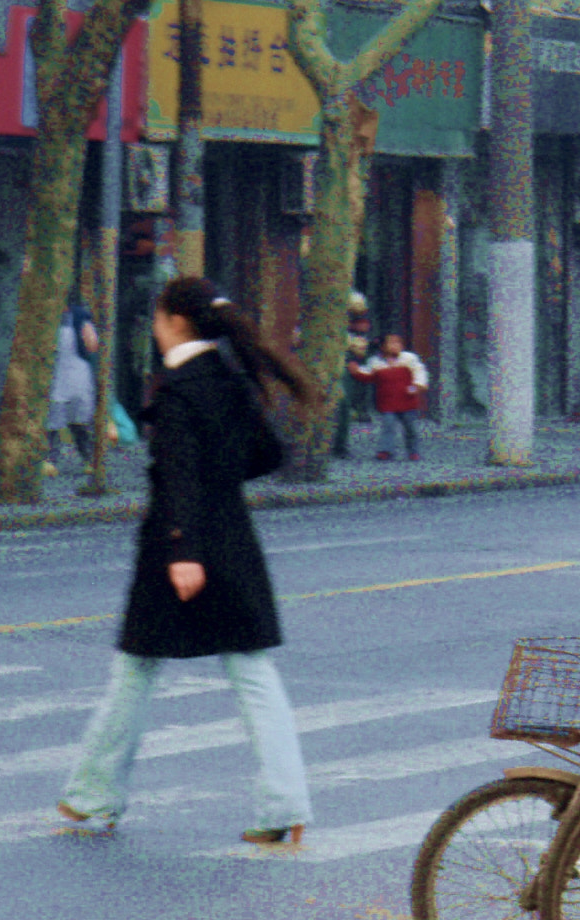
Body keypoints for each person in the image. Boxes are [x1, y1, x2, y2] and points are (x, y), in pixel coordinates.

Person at [56, 277, 321, 846]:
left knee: (134, 672)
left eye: (156, 318)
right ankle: (286, 803)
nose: (154, 327)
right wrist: (222, 482)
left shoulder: (178, 388)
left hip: (178, 547)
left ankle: (94, 795)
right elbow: (268, 453)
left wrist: (182, 549)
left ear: (176, 321)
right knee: (252, 672)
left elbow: (177, 473)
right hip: (233, 537)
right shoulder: (231, 377)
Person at [349, 332, 428, 461]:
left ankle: (413, 451)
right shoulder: (375, 362)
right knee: (388, 426)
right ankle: (386, 450)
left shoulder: (409, 359)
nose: (396, 346)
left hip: (407, 401)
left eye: (398, 343)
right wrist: (357, 371)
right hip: (387, 403)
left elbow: (419, 371)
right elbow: (368, 375)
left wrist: (418, 385)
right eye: (392, 343)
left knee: (410, 428)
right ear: (383, 347)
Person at [45, 293, 100, 475]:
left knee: (79, 422)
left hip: (76, 374)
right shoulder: (46, 317)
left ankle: (89, 460)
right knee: (53, 422)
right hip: (56, 374)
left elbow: (92, 345)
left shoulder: (79, 317)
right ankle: (50, 460)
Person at [332, 290, 373, 459]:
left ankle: (338, 446)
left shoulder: (355, 322)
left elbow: (360, 348)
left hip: (340, 364)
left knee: (342, 404)